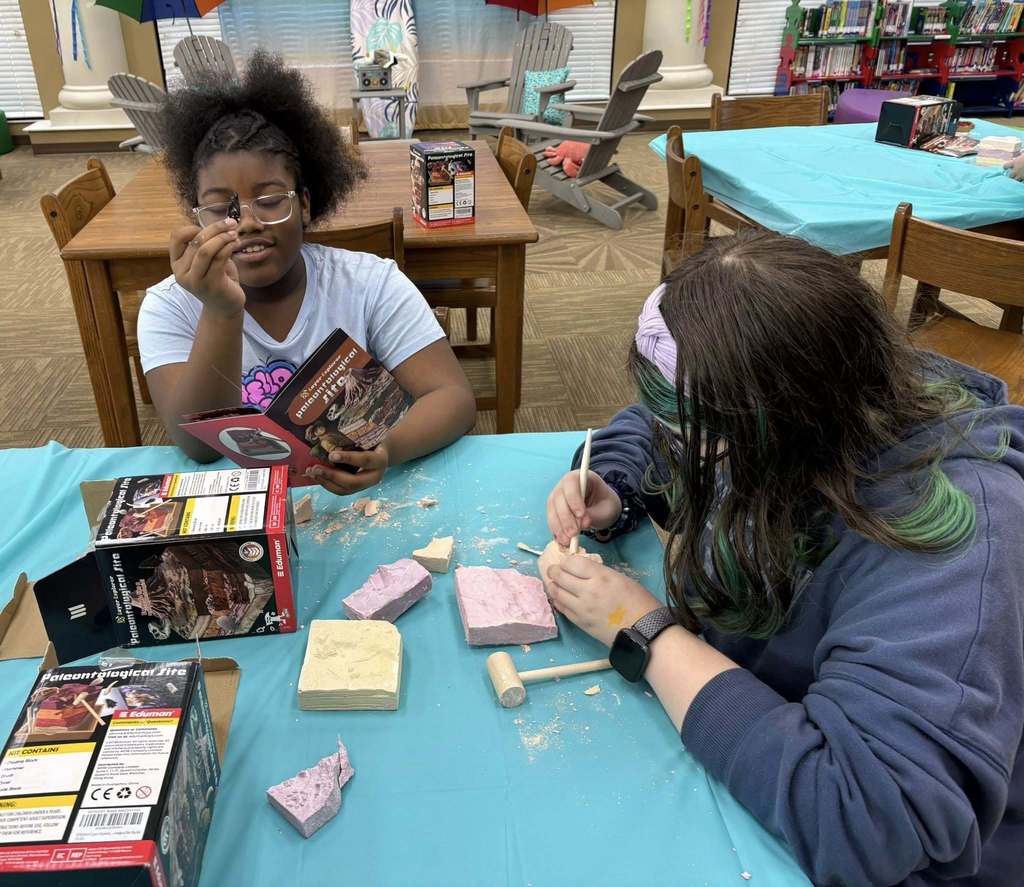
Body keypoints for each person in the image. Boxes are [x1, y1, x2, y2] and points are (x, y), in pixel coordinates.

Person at [544, 231, 1024, 885]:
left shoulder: (955, 548)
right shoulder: (810, 402)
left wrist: (646, 632)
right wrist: (615, 483)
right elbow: (653, 423)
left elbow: (862, 820)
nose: (680, 448)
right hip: (765, 725)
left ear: (782, 428)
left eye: (697, 440)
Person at [138, 51, 475, 495]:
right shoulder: (169, 305)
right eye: (222, 207)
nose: (246, 222)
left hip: (368, 501)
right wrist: (221, 312)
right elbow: (196, 445)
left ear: (306, 204)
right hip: (246, 507)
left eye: (271, 198)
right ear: (198, 216)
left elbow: (454, 399)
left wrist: (388, 449)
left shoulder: (370, 283)